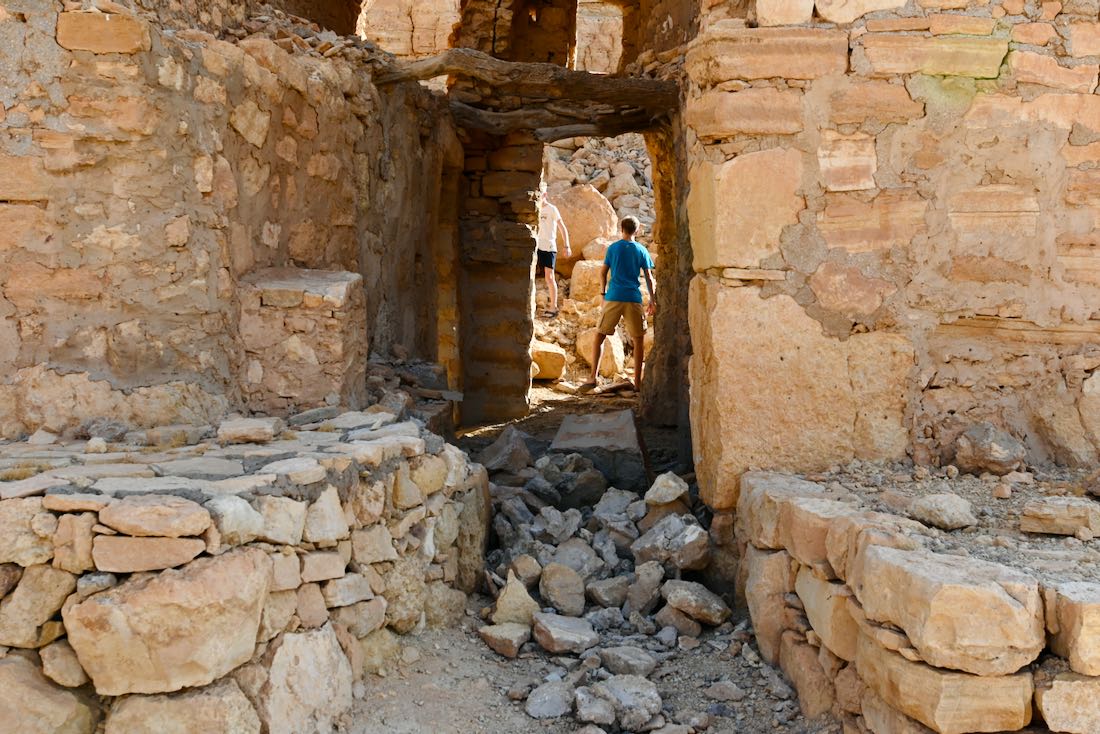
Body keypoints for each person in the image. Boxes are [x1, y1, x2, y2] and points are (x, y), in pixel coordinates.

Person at [583, 216, 656, 392]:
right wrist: (653, 300)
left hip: (614, 296)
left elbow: (602, 273)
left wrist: (603, 293)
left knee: (600, 336)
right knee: (638, 340)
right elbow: (649, 278)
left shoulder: (613, 248)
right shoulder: (641, 250)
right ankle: (638, 383)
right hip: (633, 298)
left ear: (621, 228)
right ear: (637, 231)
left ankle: (593, 377)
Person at [535, 185, 570, 317]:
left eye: (541, 194)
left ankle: (553, 307)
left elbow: (562, 227)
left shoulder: (552, 209)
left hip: (549, 247)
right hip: (536, 246)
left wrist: (567, 245)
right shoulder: (534, 208)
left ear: (545, 195)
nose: (539, 197)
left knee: (549, 277)